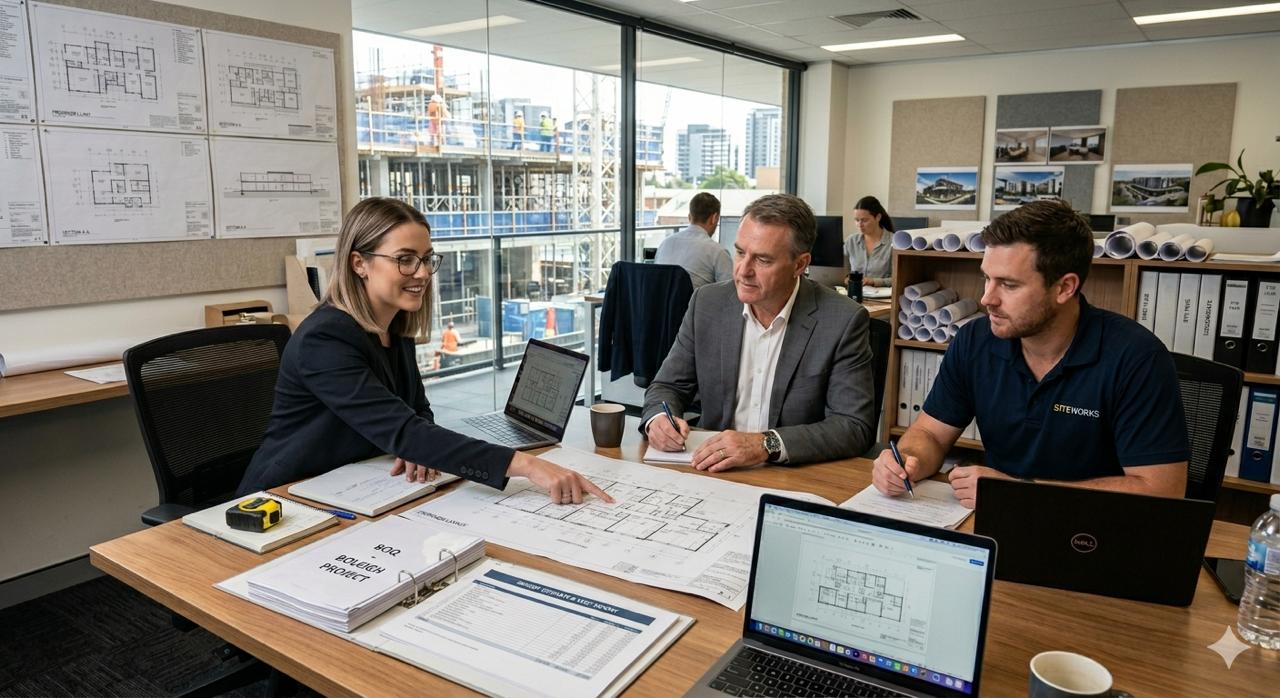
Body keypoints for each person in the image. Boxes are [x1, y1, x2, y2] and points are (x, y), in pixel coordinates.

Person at [237, 197, 612, 506]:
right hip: (285, 498)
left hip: (355, 488)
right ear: (359, 263)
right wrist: (527, 465)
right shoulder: (324, 339)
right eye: (405, 259)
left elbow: (417, 412)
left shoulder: (394, 326)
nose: (421, 273)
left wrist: (416, 446)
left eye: (427, 258)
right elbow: (405, 430)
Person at [872, 201, 1188, 508]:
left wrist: (1020, 495)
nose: (986, 299)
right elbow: (930, 433)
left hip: (1092, 530)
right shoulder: (975, 340)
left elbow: (1162, 491)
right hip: (996, 521)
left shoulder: (1136, 357)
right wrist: (907, 461)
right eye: (987, 278)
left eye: (1008, 285)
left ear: (1065, 288)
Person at [642, 193, 876, 470]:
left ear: (800, 265)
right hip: (712, 468)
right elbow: (668, 386)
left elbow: (853, 425)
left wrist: (765, 444)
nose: (743, 271)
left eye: (763, 260)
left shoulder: (842, 320)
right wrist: (658, 419)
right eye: (740, 253)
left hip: (791, 474)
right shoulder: (708, 303)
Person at [654, 191, 732, 289]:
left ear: (689, 217)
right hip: (695, 299)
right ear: (714, 218)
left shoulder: (665, 243)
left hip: (660, 299)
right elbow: (731, 292)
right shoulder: (718, 252)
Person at [845, 195, 894, 288]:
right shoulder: (850, 241)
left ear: (878, 217)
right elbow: (843, 273)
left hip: (883, 295)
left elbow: (899, 278)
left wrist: (873, 281)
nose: (859, 224)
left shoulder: (894, 242)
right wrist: (846, 278)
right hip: (855, 292)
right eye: (857, 220)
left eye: (864, 220)